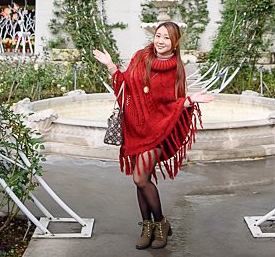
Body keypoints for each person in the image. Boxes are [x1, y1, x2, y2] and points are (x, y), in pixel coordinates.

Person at [92, 21, 215, 250]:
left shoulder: (176, 69)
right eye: (158, 35)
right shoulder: (141, 57)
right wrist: (110, 65)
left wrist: (189, 101)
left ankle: (160, 223)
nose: (160, 41)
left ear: (175, 43)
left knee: (140, 178)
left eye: (167, 38)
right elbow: (125, 85)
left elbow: (171, 104)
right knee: (141, 181)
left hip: (158, 132)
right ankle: (147, 226)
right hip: (136, 130)